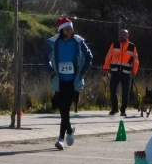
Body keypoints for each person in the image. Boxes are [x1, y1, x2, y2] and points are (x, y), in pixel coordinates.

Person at [43, 17, 93, 150]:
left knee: (65, 108)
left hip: (73, 80)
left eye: (71, 28)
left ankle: (60, 138)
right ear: (61, 30)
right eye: (67, 29)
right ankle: (69, 130)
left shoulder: (78, 42)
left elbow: (89, 57)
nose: (70, 31)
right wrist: (50, 71)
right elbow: (44, 57)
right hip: (59, 81)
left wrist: (82, 73)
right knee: (62, 109)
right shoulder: (54, 43)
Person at [103, 29, 140, 116]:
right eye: (121, 34)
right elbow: (108, 57)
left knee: (125, 92)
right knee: (112, 91)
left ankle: (123, 110)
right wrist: (105, 68)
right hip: (115, 72)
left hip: (126, 73)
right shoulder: (114, 45)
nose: (121, 36)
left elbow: (136, 61)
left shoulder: (132, 47)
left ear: (127, 36)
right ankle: (114, 108)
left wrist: (134, 71)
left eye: (124, 34)